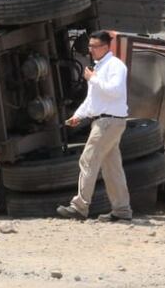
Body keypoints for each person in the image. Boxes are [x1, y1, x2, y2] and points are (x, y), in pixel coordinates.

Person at [56, 31, 132, 221]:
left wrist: (93, 79)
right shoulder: (100, 67)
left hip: (108, 121)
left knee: (88, 160)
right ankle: (122, 211)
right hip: (108, 120)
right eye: (90, 46)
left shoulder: (115, 66)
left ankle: (80, 206)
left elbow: (114, 91)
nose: (90, 50)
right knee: (111, 167)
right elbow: (92, 100)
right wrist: (78, 116)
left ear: (105, 47)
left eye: (93, 46)